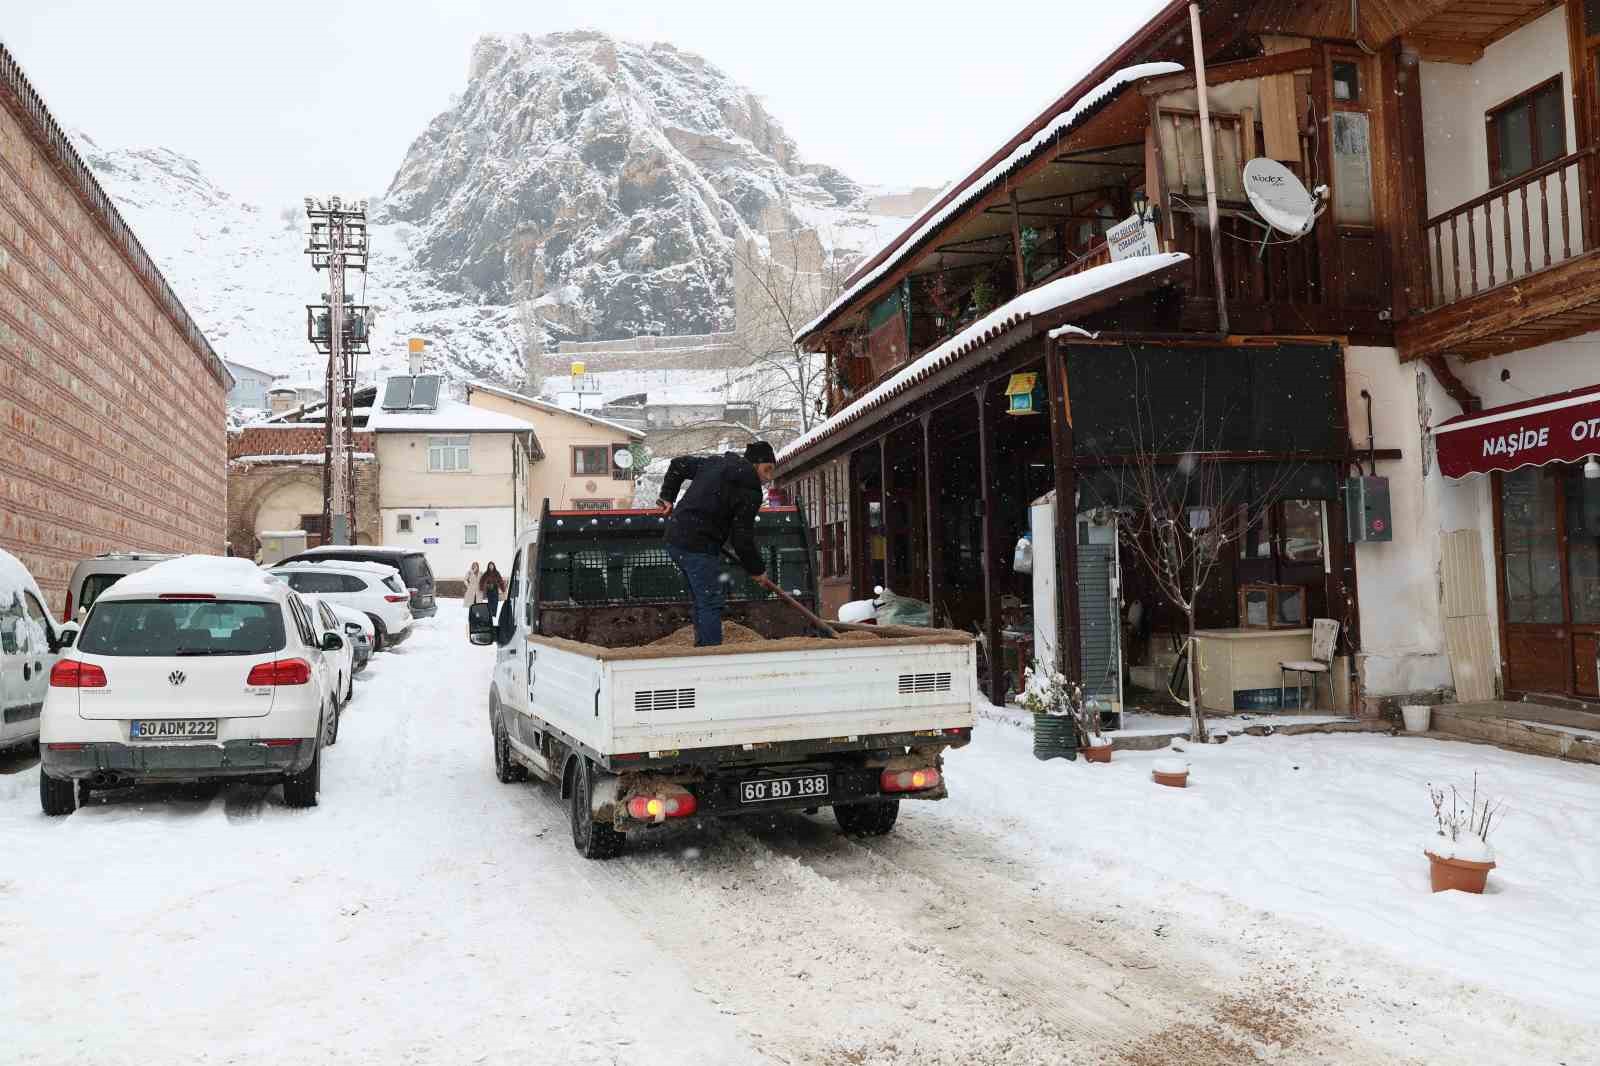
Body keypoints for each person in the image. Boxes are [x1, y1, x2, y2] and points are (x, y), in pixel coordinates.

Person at [657, 441, 780, 647]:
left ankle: (704, 646)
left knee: (702, 599)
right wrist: (757, 570)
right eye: (767, 470)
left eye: (772, 472)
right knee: (710, 602)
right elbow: (741, 537)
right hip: (698, 545)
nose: (768, 478)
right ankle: (711, 653)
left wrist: (667, 496)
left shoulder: (714, 463)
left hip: (675, 537)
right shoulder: (751, 491)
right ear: (754, 464)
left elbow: (678, 464)